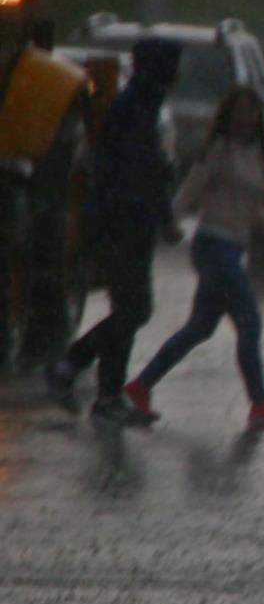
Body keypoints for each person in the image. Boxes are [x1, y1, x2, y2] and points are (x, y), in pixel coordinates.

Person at [124, 86, 264, 428]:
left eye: (251, 112)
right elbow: (190, 190)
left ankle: (140, 386)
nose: (245, 118)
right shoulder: (218, 150)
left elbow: (252, 209)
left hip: (233, 247)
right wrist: (168, 223)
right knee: (249, 322)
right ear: (228, 114)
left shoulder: (257, 153)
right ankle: (260, 403)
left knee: (199, 328)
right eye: (239, 111)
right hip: (213, 246)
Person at [45, 36, 180, 423]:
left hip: (125, 225)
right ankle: (71, 369)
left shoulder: (138, 106)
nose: (173, 77)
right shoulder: (133, 110)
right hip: (122, 226)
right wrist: (156, 210)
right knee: (134, 309)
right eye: (169, 67)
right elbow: (137, 175)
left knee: (128, 309)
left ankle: (105, 396)